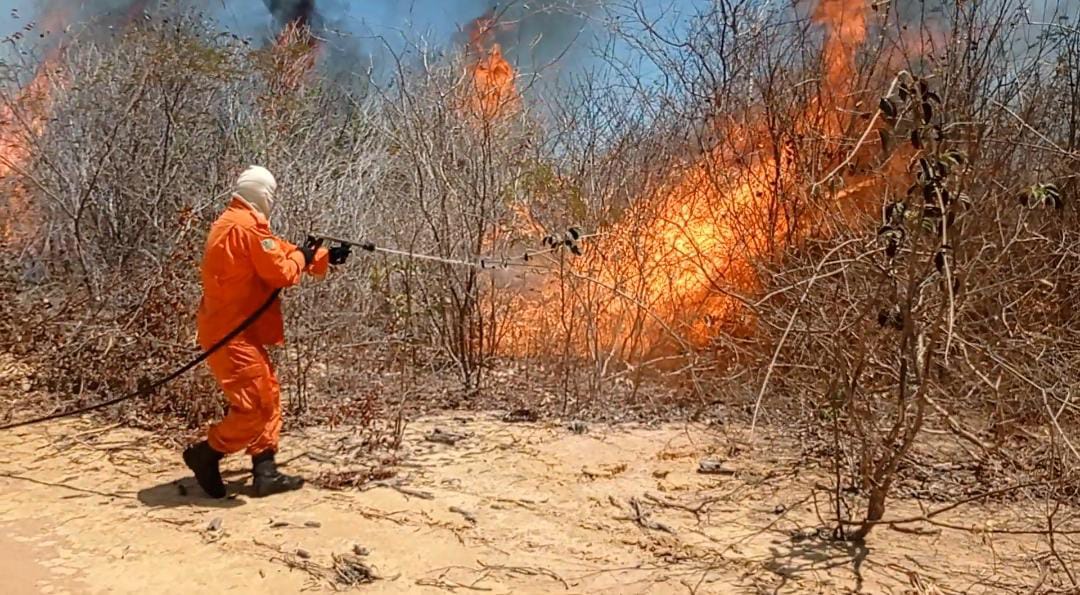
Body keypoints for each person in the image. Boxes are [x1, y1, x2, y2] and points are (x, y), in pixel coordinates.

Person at [182, 166, 348, 498]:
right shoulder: (244, 228)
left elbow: (281, 250)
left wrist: (323, 256)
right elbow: (282, 271)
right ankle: (207, 452)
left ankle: (265, 470)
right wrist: (303, 257)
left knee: (267, 393)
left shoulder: (240, 223)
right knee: (255, 407)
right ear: (262, 192)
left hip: (236, 329)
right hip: (232, 334)